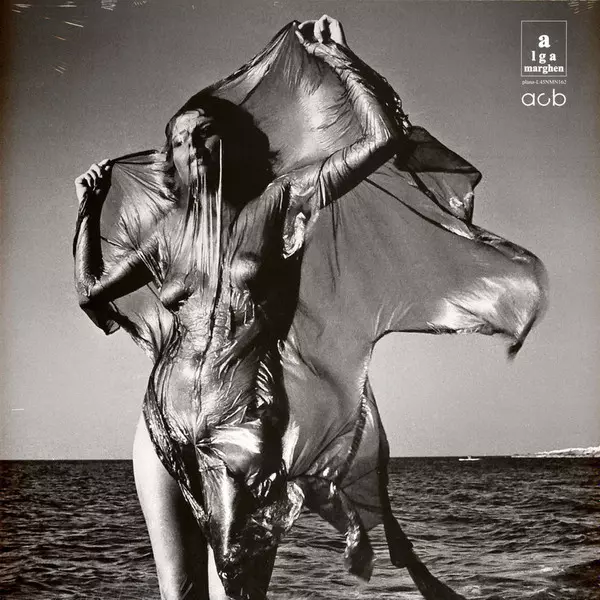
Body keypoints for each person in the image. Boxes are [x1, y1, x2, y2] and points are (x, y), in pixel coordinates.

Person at [74, 16, 546, 600]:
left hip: (243, 424)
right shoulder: (169, 233)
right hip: (160, 423)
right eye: (178, 140)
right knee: (179, 593)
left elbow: (382, 140)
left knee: (238, 594)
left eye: (205, 134)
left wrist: (341, 59)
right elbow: (91, 292)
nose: (191, 146)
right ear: (170, 159)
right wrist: (87, 211)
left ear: (236, 144)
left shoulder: (281, 201)